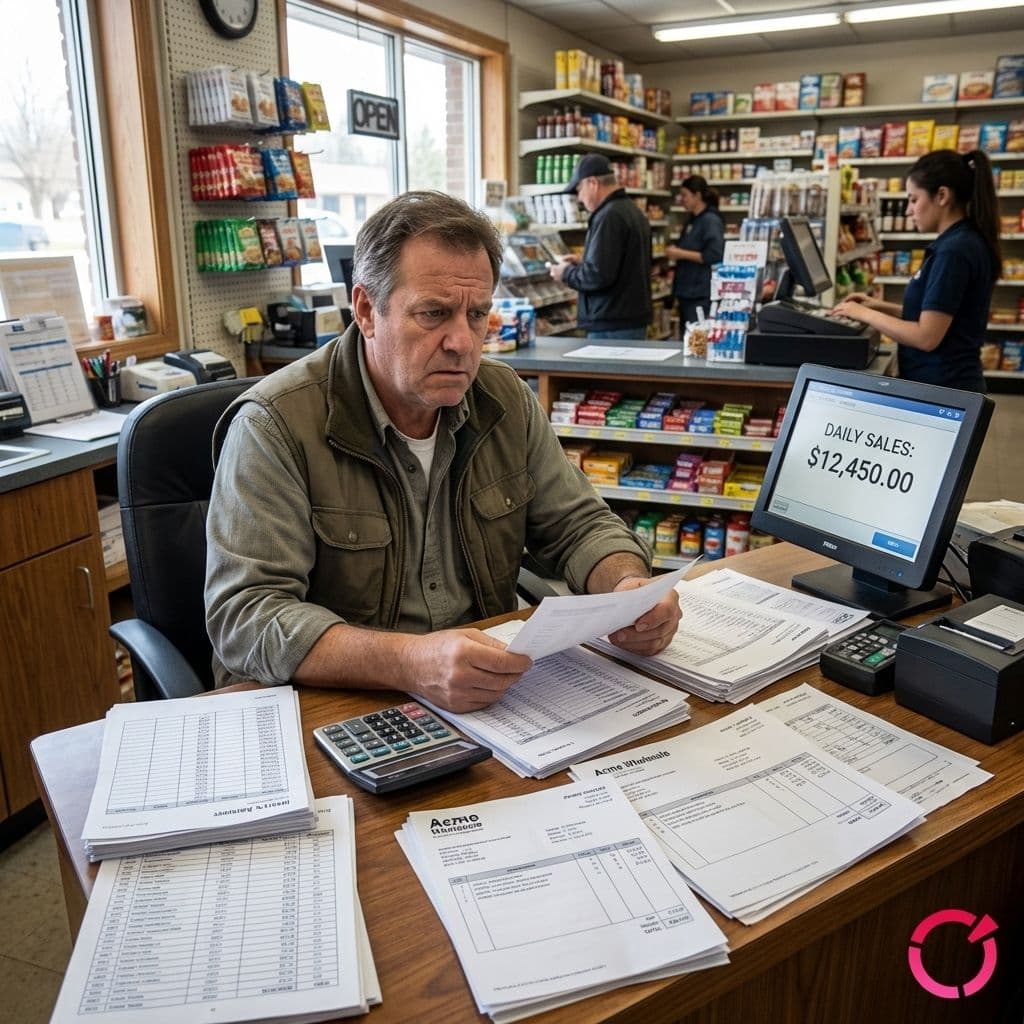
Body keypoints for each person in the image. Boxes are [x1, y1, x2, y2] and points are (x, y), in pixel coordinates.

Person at [205, 190, 681, 713]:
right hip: (331, 704)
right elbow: (247, 617)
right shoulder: (275, 425)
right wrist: (411, 662)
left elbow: (580, 525)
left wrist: (629, 588)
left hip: (483, 697)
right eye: (433, 314)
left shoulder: (504, 401)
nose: (462, 342)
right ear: (366, 309)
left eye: (477, 315)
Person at [830, 149, 1002, 393]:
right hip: (945, 384)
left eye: (913, 199)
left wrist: (862, 314)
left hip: (945, 389)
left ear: (942, 195)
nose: (908, 210)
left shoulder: (954, 251)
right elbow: (942, 315)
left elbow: (926, 336)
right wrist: (878, 306)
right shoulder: (963, 241)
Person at [548, 153, 652, 339]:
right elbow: (623, 262)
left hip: (611, 324)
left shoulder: (608, 216)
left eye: (580, 189)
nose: (579, 198)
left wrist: (565, 273)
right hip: (628, 319)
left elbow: (598, 276)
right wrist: (584, 260)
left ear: (593, 183)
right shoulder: (631, 210)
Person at [665, 175, 725, 327]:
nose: (682, 199)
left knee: (697, 341)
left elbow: (714, 254)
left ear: (697, 195)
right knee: (689, 339)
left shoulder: (710, 220)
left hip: (700, 294)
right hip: (688, 292)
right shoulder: (693, 219)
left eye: (684, 195)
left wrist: (679, 253)